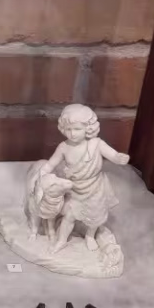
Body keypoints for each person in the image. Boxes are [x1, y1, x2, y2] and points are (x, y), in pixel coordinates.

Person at [36, 104, 130, 253]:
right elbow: (51, 164)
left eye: (77, 129)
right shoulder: (63, 147)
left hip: (95, 187)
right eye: (68, 129)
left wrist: (119, 158)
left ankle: (90, 236)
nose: (72, 133)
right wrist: (42, 172)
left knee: (95, 216)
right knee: (69, 216)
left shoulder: (96, 144)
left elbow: (112, 155)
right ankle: (61, 241)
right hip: (74, 188)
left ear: (88, 128)